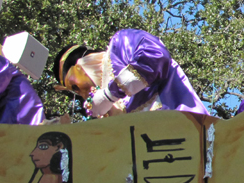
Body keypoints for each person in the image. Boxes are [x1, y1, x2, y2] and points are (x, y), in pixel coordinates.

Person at [53, 29, 209, 118]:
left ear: (79, 65)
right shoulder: (107, 113)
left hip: (188, 136)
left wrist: (110, 94)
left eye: (75, 87)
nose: (82, 94)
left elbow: (156, 56)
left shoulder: (120, 46)